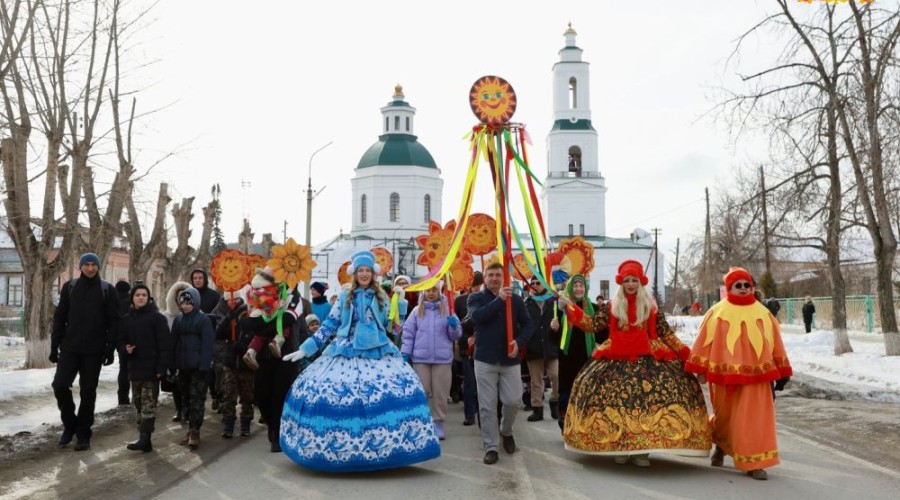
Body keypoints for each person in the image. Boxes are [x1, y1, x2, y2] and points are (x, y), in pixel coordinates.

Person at [281, 250, 440, 472]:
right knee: (336, 395)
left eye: (367, 270)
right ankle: (342, 451)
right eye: (360, 270)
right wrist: (306, 349)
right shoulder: (345, 297)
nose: (364, 274)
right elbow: (329, 326)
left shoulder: (382, 297)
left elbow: (393, 329)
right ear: (354, 274)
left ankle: (388, 449)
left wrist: (400, 308)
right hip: (346, 349)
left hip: (378, 350)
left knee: (394, 392)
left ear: (373, 274)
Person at [560, 261, 711, 467]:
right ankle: (619, 446)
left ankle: (642, 452)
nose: (630, 284)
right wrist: (570, 308)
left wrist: (689, 358)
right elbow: (592, 324)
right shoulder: (613, 306)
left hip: (648, 358)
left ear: (640, 283)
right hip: (616, 356)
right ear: (621, 283)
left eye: (634, 280)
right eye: (627, 280)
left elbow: (667, 334)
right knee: (615, 401)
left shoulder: (651, 306)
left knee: (648, 402)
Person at [685, 267, 793, 480]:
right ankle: (722, 446)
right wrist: (700, 370)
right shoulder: (717, 312)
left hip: (758, 377)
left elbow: (776, 343)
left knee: (754, 418)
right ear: (729, 288)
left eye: (747, 285)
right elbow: (704, 341)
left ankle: (754, 462)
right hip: (726, 377)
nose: (743, 289)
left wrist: (782, 371)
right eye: (738, 285)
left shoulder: (763, 313)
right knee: (726, 418)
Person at [50, 252, 121, 451]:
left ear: (98, 267)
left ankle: (83, 434)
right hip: (70, 348)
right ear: (80, 266)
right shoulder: (70, 287)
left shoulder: (107, 290)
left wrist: (109, 348)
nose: (90, 268)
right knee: (60, 385)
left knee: (88, 392)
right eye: (86, 264)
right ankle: (70, 424)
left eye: (93, 265)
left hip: (93, 351)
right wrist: (54, 345)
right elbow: (59, 317)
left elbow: (114, 322)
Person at [467, 262, 533, 465]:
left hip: (509, 360)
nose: (495, 279)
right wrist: (499, 300)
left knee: (513, 401)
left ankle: (506, 430)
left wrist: (519, 341)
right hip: (485, 360)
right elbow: (477, 317)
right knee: (487, 406)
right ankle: (491, 446)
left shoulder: (516, 300)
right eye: (491, 275)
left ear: (503, 277)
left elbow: (528, 324)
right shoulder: (475, 297)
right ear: (485, 278)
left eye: (498, 275)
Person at [239, 268, 303, 452]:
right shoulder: (266, 295)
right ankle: (272, 424)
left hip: (286, 354)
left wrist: (262, 327)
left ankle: (277, 433)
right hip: (264, 357)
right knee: (261, 394)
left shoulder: (295, 299)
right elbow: (250, 322)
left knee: (279, 394)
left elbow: (288, 320)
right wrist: (260, 324)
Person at [401, 282, 462, 440]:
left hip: (442, 360)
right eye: (428, 290)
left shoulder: (447, 310)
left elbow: (455, 336)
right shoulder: (416, 311)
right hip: (421, 359)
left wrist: (453, 326)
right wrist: (405, 353)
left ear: (439, 291)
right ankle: (423, 422)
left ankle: (438, 422)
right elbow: (408, 334)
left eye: (434, 289)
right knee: (422, 391)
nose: (431, 293)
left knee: (440, 393)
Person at [119, 283, 172, 452]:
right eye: (137, 295)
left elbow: (165, 345)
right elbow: (120, 341)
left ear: (148, 298)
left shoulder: (157, 319)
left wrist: (162, 368)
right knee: (139, 405)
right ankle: (145, 440)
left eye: (144, 295)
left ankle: (144, 438)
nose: (141, 297)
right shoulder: (127, 319)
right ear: (132, 298)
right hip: (134, 370)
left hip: (152, 370)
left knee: (148, 407)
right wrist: (124, 349)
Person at [552, 275, 599, 432]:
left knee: (585, 391)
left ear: (586, 288)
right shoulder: (561, 308)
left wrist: (599, 345)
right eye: (575, 285)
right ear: (570, 287)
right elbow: (552, 337)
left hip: (587, 357)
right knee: (567, 390)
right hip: (567, 357)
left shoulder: (593, 308)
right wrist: (554, 328)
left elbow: (601, 331)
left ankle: (582, 425)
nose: (578, 288)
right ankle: (564, 420)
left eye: (581, 286)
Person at [171, 287, 215, 450]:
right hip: (183, 367)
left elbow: (207, 345)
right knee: (186, 398)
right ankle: (189, 427)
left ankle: (195, 430)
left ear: (195, 302)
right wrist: (172, 364)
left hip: (198, 367)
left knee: (197, 399)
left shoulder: (203, 320)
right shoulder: (178, 320)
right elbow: (173, 342)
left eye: (189, 303)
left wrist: (204, 365)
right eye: (183, 303)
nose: (186, 306)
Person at [212, 290, 253, 438]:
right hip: (230, 362)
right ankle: (228, 425)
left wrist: (242, 344)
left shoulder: (247, 312)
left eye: (235, 300)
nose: (232, 302)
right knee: (229, 395)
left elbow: (252, 334)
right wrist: (229, 317)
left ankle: (245, 425)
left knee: (247, 396)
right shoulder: (228, 315)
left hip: (245, 363)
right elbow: (219, 334)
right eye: (229, 300)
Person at [524, 277, 559, 422]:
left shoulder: (553, 302)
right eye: (532, 283)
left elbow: (562, 320)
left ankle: (554, 402)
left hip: (551, 346)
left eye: (538, 283)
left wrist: (557, 327)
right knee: (536, 380)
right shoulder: (527, 304)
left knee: (556, 376)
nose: (534, 286)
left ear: (544, 284)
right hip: (534, 347)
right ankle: (537, 409)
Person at [454, 271, 482, 426]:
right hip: (467, 348)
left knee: (482, 384)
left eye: (478, 284)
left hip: (484, 346)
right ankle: (469, 414)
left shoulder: (488, 299)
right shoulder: (460, 301)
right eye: (474, 284)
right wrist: (465, 338)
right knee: (469, 383)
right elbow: (459, 324)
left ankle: (481, 413)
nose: (476, 288)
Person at [163, 281, 192, 423]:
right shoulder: (167, 316)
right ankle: (179, 410)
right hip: (173, 354)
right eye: (178, 296)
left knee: (189, 385)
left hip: (189, 353)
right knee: (175, 385)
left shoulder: (196, 315)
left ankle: (189, 410)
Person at [115, 280, 133, 406]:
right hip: (135, 338)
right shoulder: (131, 302)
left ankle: (122, 398)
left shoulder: (114, 303)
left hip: (121, 340)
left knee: (123, 369)